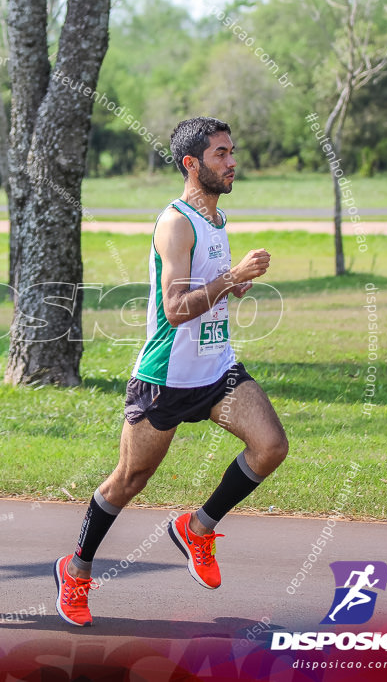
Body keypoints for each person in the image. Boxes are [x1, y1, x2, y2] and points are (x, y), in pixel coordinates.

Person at [53, 117, 288, 626]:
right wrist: (231, 278)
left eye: (232, 151)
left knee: (270, 446)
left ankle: (197, 529)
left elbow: (209, 290)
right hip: (165, 378)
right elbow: (177, 308)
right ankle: (76, 571)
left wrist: (233, 285)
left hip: (217, 369)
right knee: (128, 481)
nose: (232, 162)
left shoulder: (217, 221)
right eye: (221, 154)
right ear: (192, 163)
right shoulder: (176, 222)